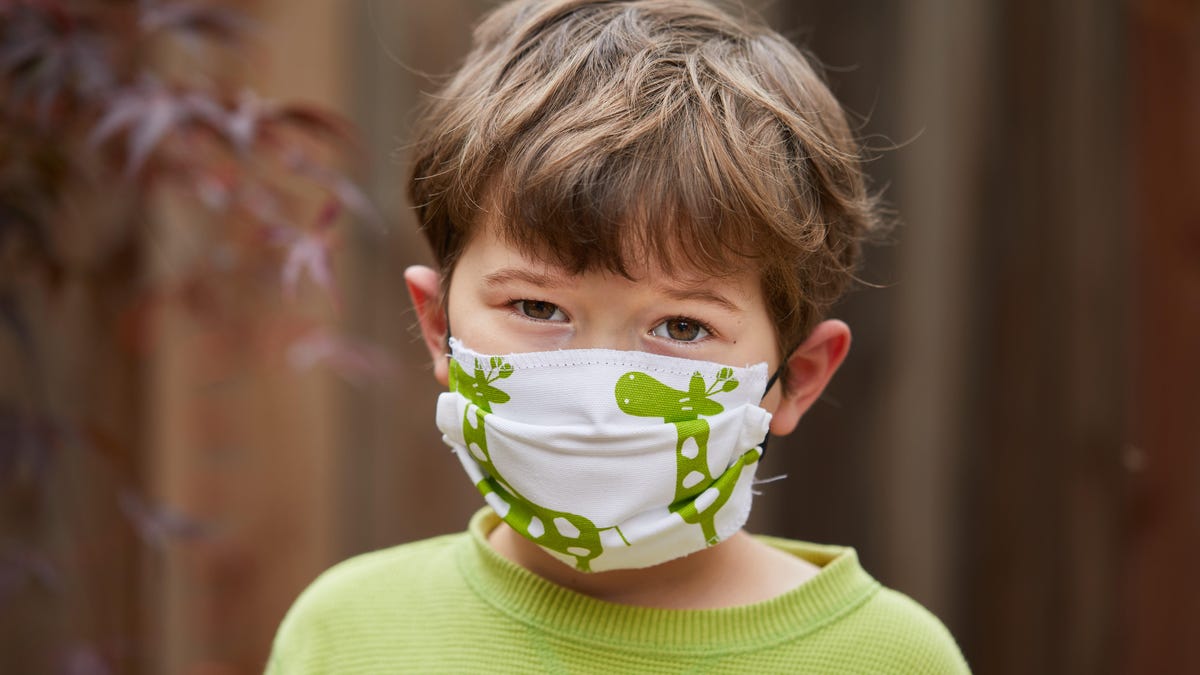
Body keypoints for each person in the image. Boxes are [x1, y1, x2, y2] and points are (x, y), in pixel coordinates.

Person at [266, 0, 969, 672]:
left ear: (798, 377)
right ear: (439, 328)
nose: (595, 389)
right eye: (537, 307)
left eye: (683, 326)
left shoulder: (889, 659)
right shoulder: (344, 633)